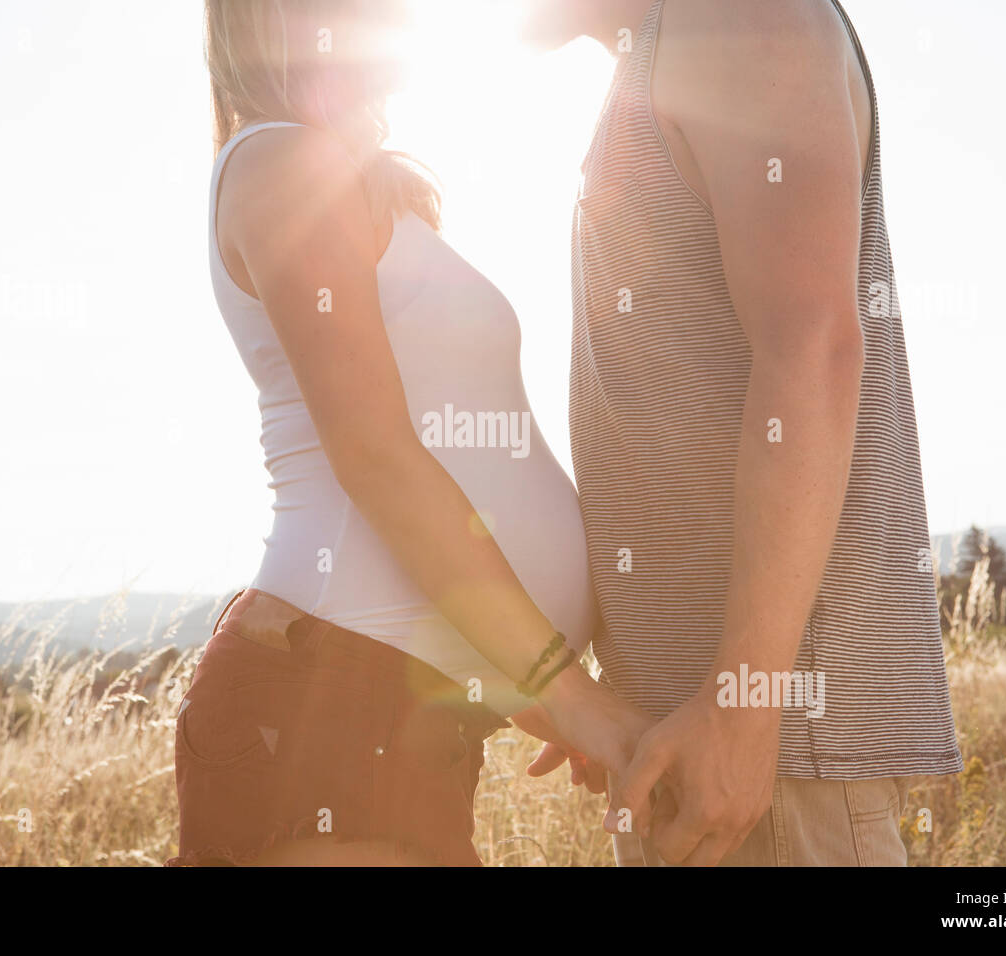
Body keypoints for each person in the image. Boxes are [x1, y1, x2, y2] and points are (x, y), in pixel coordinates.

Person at [168, 0, 650, 867]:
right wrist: (564, 690)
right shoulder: (279, 163)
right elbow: (377, 457)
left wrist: (525, 687)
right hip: (320, 705)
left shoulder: (359, 185)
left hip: (391, 706)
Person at [520, 0, 963, 865]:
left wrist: (745, 704)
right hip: (703, 746)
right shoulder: (663, 50)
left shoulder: (734, 15)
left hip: (774, 749)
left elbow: (814, 348)